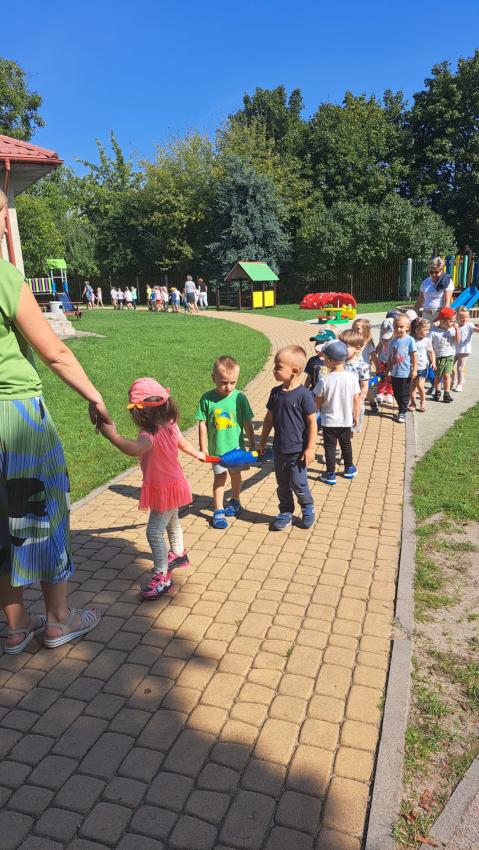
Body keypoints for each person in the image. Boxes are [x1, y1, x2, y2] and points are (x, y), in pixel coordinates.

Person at [0, 189, 107, 653]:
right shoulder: (4, 276)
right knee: (42, 513)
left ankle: (15, 627)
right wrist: (95, 396)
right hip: (17, 416)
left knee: (1, 524)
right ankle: (59, 620)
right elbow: (55, 352)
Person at [100, 379, 205, 599]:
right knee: (173, 520)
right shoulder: (170, 424)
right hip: (173, 484)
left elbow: (135, 449)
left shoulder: (148, 435)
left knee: (154, 532)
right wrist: (197, 454)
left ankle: (162, 577)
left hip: (164, 488)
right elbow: (183, 443)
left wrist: (113, 436)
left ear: (141, 414)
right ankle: (179, 553)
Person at [258, 345, 317, 531]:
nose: (274, 370)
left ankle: (307, 507)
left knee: (299, 483)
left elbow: (312, 423)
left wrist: (310, 448)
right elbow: (269, 419)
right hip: (279, 449)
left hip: (298, 451)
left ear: (294, 371)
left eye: (278, 367)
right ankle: (285, 512)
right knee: (282, 485)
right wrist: (262, 441)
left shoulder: (304, 395)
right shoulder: (275, 393)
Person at [196, 356, 255, 529]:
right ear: (213, 378)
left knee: (235, 475)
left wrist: (252, 443)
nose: (228, 387)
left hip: (236, 449)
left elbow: (247, 422)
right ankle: (218, 510)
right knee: (220, 478)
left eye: (233, 382)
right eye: (223, 382)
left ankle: (235, 500)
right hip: (217, 451)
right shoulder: (207, 399)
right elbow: (202, 424)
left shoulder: (240, 398)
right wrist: (203, 448)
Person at [313, 340, 361, 486]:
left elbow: (318, 400)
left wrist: (315, 410)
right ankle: (349, 468)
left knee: (330, 447)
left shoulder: (325, 380)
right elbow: (356, 399)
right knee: (346, 444)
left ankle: (330, 473)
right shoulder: (352, 377)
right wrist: (356, 415)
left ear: (329, 360)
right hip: (346, 419)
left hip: (329, 421)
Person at [384, 315, 417, 423]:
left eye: (401, 327)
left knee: (404, 393)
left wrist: (414, 369)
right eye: (396, 327)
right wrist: (387, 370)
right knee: (397, 393)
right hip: (395, 373)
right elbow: (390, 358)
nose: (398, 329)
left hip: (406, 373)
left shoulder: (410, 340)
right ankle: (401, 410)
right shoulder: (392, 342)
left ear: (407, 327)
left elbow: (414, 356)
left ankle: (403, 412)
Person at [338, 328, 369, 434]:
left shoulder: (362, 366)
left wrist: (358, 402)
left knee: (350, 429)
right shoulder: (338, 362)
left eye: (346, 347)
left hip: (354, 402)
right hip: (340, 400)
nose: (342, 349)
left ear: (357, 348)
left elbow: (364, 387)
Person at [430, 307, 461, 403]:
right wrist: (431, 359)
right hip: (438, 357)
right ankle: (437, 392)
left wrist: (457, 329)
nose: (453, 323)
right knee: (438, 376)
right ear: (443, 321)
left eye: (454, 321)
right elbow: (429, 345)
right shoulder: (434, 331)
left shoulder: (452, 330)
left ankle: (446, 394)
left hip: (450, 356)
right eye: (451, 321)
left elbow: (458, 341)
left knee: (447, 375)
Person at [415, 257, 455, 324]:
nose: (433, 274)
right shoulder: (426, 282)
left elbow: (447, 303)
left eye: (436, 272)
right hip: (426, 314)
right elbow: (419, 301)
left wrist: (441, 318)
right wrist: (413, 314)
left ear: (441, 270)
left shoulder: (447, 282)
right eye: (431, 272)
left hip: (439, 315)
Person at [452, 307, 479, 392]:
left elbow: (476, 330)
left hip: (464, 350)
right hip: (454, 350)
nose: (465, 319)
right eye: (462, 318)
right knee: (450, 367)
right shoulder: (454, 325)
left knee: (459, 368)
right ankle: (455, 379)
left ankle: (459, 384)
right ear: (456, 317)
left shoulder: (469, 325)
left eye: (467, 317)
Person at [375, 319, 395, 407]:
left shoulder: (395, 339)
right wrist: (374, 355)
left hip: (392, 361)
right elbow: (379, 345)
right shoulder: (382, 337)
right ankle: (381, 392)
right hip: (382, 360)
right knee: (381, 376)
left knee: (390, 378)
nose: (386, 340)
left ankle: (389, 393)